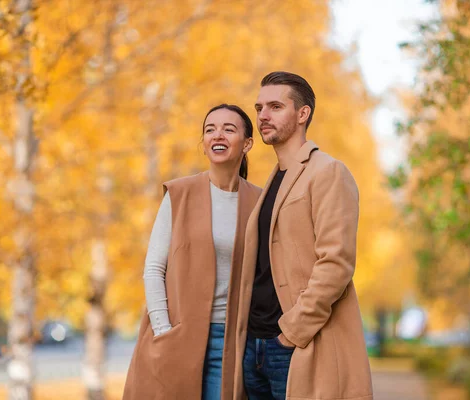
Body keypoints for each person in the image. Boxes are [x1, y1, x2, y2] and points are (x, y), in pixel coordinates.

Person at [232, 72, 373, 400]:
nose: (263, 116)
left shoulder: (327, 172)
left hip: (295, 347)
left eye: (275, 106)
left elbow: (336, 263)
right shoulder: (272, 181)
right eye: (259, 107)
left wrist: (291, 331)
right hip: (255, 347)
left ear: (302, 113)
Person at [123, 104, 262, 400]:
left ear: (247, 143)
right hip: (177, 335)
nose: (217, 134)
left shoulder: (260, 201)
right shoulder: (180, 194)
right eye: (210, 129)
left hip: (233, 343)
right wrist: (164, 331)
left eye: (228, 128)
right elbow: (153, 268)